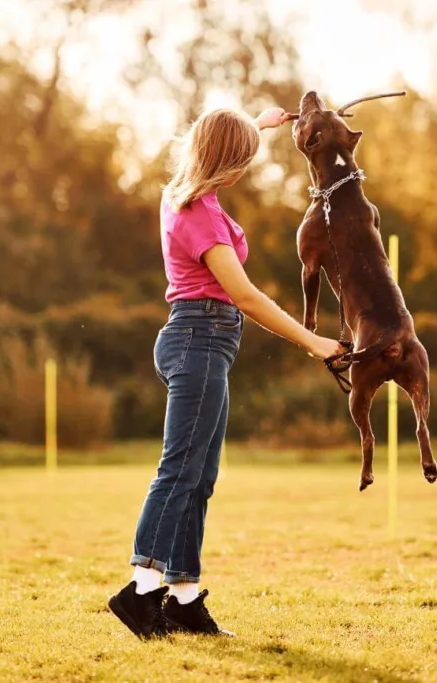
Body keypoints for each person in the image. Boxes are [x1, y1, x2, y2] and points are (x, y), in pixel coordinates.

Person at [107, 106, 345, 639]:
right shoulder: (202, 215)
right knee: (179, 471)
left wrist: (255, 125)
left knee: (200, 478)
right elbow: (244, 295)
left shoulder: (179, 192)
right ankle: (140, 590)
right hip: (200, 338)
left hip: (205, 341)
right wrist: (314, 343)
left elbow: (209, 137)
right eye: (243, 160)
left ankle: (184, 599)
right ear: (228, 163)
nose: (244, 172)